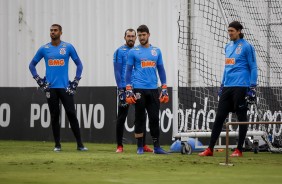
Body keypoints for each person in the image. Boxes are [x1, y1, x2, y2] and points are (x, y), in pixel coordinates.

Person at [198, 21, 258, 157]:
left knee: (241, 117)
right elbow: (226, 67)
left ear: (239, 31)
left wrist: (253, 86)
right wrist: (222, 85)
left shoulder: (247, 47)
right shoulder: (228, 46)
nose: (229, 33)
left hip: (241, 86)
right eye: (229, 31)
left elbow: (253, 67)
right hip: (228, 87)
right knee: (219, 117)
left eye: (232, 31)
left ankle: (239, 150)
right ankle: (210, 149)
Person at [29, 24, 88, 152]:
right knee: (55, 116)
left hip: (65, 88)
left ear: (61, 32)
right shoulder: (44, 49)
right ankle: (57, 145)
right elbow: (32, 65)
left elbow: (79, 65)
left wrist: (76, 81)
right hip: (51, 89)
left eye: (55, 30)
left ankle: (80, 144)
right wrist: (39, 80)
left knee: (72, 114)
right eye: (51, 30)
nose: (53, 32)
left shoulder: (68, 47)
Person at [125, 25, 169, 154]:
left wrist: (164, 87)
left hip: (154, 89)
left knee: (154, 118)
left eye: (143, 35)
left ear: (148, 35)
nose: (141, 37)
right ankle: (140, 146)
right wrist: (128, 89)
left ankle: (157, 147)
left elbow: (161, 69)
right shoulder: (133, 51)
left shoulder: (156, 51)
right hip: (139, 89)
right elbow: (128, 71)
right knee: (139, 118)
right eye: (139, 35)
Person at [113, 28, 153, 153]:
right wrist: (121, 89)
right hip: (125, 88)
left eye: (132, 36)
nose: (130, 38)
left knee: (141, 116)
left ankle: (143, 145)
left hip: (137, 87)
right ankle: (119, 146)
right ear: (124, 37)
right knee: (122, 116)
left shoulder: (138, 51)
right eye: (128, 36)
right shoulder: (119, 51)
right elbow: (118, 71)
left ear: (136, 38)